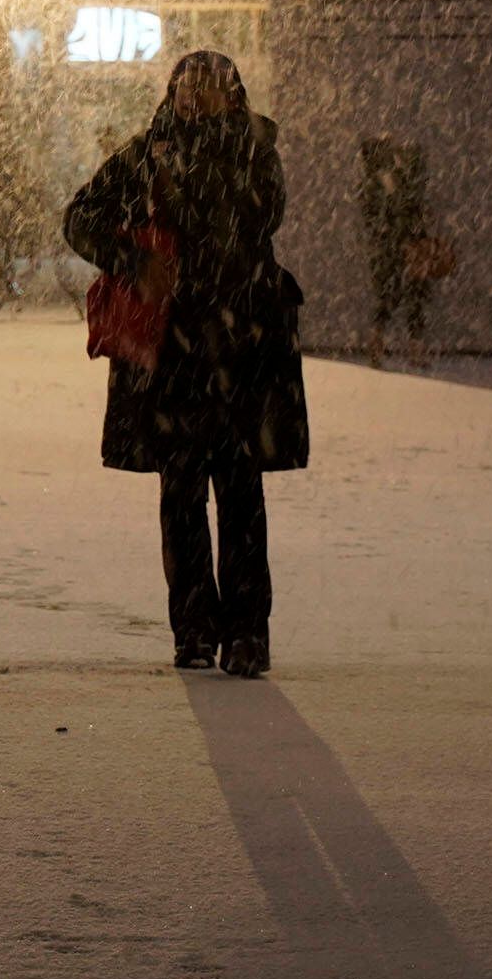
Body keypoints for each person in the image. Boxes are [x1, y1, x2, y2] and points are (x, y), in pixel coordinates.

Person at [63, 48, 310, 677]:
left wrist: (189, 180)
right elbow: (79, 217)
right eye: (184, 85)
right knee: (181, 494)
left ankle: (248, 632)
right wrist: (132, 259)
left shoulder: (254, 150)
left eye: (207, 86)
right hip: (173, 351)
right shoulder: (147, 152)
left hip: (242, 345)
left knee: (240, 491)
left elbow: (259, 217)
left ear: (233, 96)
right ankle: (195, 631)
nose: (192, 96)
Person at [359, 135, 437, 362]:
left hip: (389, 246)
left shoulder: (371, 184)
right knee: (413, 295)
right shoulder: (391, 181)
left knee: (388, 294)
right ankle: (413, 348)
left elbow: (375, 218)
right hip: (407, 245)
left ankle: (379, 342)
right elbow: (408, 210)